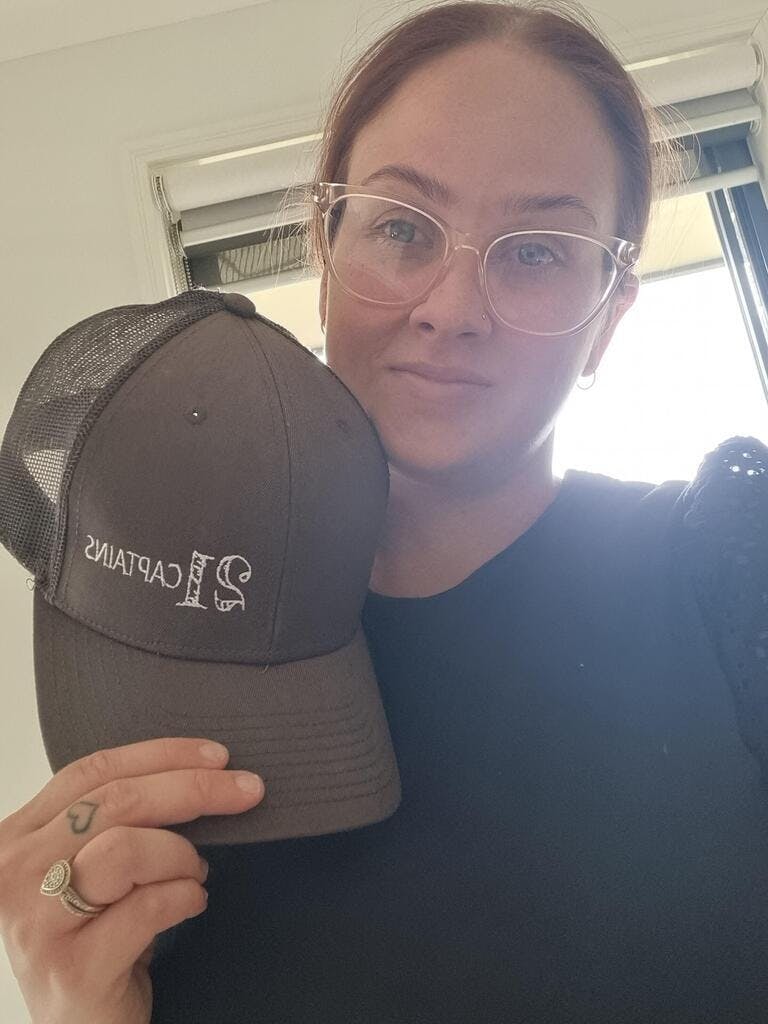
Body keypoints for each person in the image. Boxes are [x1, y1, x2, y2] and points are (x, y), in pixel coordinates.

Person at [1, 1, 767, 1022]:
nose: (450, 308)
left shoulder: (735, 563)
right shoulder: (184, 632)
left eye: (537, 250)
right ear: (326, 258)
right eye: (402, 227)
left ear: (608, 317)